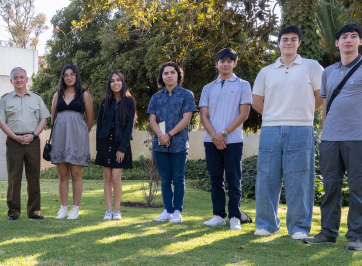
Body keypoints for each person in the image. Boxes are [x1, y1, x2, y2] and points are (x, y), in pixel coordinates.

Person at [304, 23, 362, 251]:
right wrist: (324, 130)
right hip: (330, 139)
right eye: (344, 37)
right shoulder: (329, 72)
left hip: (358, 139)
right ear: (337, 42)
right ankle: (328, 233)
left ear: (360, 41)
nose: (348, 40)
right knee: (331, 187)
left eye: (353, 36)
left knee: (358, 187)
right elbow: (325, 106)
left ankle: (355, 237)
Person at [251, 25, 323, 239]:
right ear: (279, 43)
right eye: (285, 39)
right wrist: (275, 115)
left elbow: (320, 97)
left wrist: (302, 113)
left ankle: (299, 227)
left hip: (301, 128)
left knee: (299, 178)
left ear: (299, 42)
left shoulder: (312, 67)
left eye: (293, 39)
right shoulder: (266, 71)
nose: (289, 43)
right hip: (270, 129)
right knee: (266, 177)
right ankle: (267, 224)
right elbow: (256, 102)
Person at [199, 49, 252, 231]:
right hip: (211, 140)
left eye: (230, 61)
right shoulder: (208, 88)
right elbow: (204, 116)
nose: (225, 64)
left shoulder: (243, 85)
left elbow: (244, 114)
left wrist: (224, 133)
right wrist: (215, 135)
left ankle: (235, 217)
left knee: (233, 179)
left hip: (234, 140)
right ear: (216, 64)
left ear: (235, 63)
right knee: (215, 179)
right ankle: (218, 216)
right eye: (222, 60)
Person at [0, 66, 50, 220]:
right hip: (14, 142)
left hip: (32, 141)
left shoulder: (36, 98)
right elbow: (0, 121)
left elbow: (44, 118)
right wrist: (14, 136)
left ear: (27, 79)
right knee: (14, 178)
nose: (19, 80)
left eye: (21, 77)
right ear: (11, 80)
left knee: (34, 177)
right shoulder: (5, 100)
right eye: (15, 77)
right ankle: (13, 212)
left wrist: (33, 135)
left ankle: (34, 211)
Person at [147, 62, 196, 223]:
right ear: (161, 77)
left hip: (179, 143)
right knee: (165, 179)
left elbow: (186, 118)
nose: (169, 75)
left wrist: (169, 134)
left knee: (178, 179)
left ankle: (177, 212)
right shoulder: (156, 97)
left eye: (172, 72)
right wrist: (161, 136)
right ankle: (167, 211)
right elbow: (152, 119)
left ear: (178, 75)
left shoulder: (186, 95)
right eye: (165, 73)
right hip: (160, 144)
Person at [50, 64, 94, 220]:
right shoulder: (57, 95)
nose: (69, 77)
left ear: (76, 76)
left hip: (77, 138)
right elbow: (52, 118)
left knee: (76, 174)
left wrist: (80, 134)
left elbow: (89, 120)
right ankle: (63, 208)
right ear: (63, 77)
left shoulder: (84, 95)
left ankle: (75, 209)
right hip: (60, 137)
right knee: (62, 175)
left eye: (72, 74)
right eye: (66, 75)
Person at [95, 71, 136, 221]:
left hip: (121, 144)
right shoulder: (104, 102)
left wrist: (122, 149)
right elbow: (99, 126)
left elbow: (130, 126)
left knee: (116, 177)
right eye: (112, 81)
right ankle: (108, 210)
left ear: (122, 82)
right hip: (105, 143)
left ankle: (117, 210)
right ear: (109, 84)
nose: (115, 83)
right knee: (107, 177)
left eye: (118, 80)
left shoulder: (129, 102)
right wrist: (99, 148)